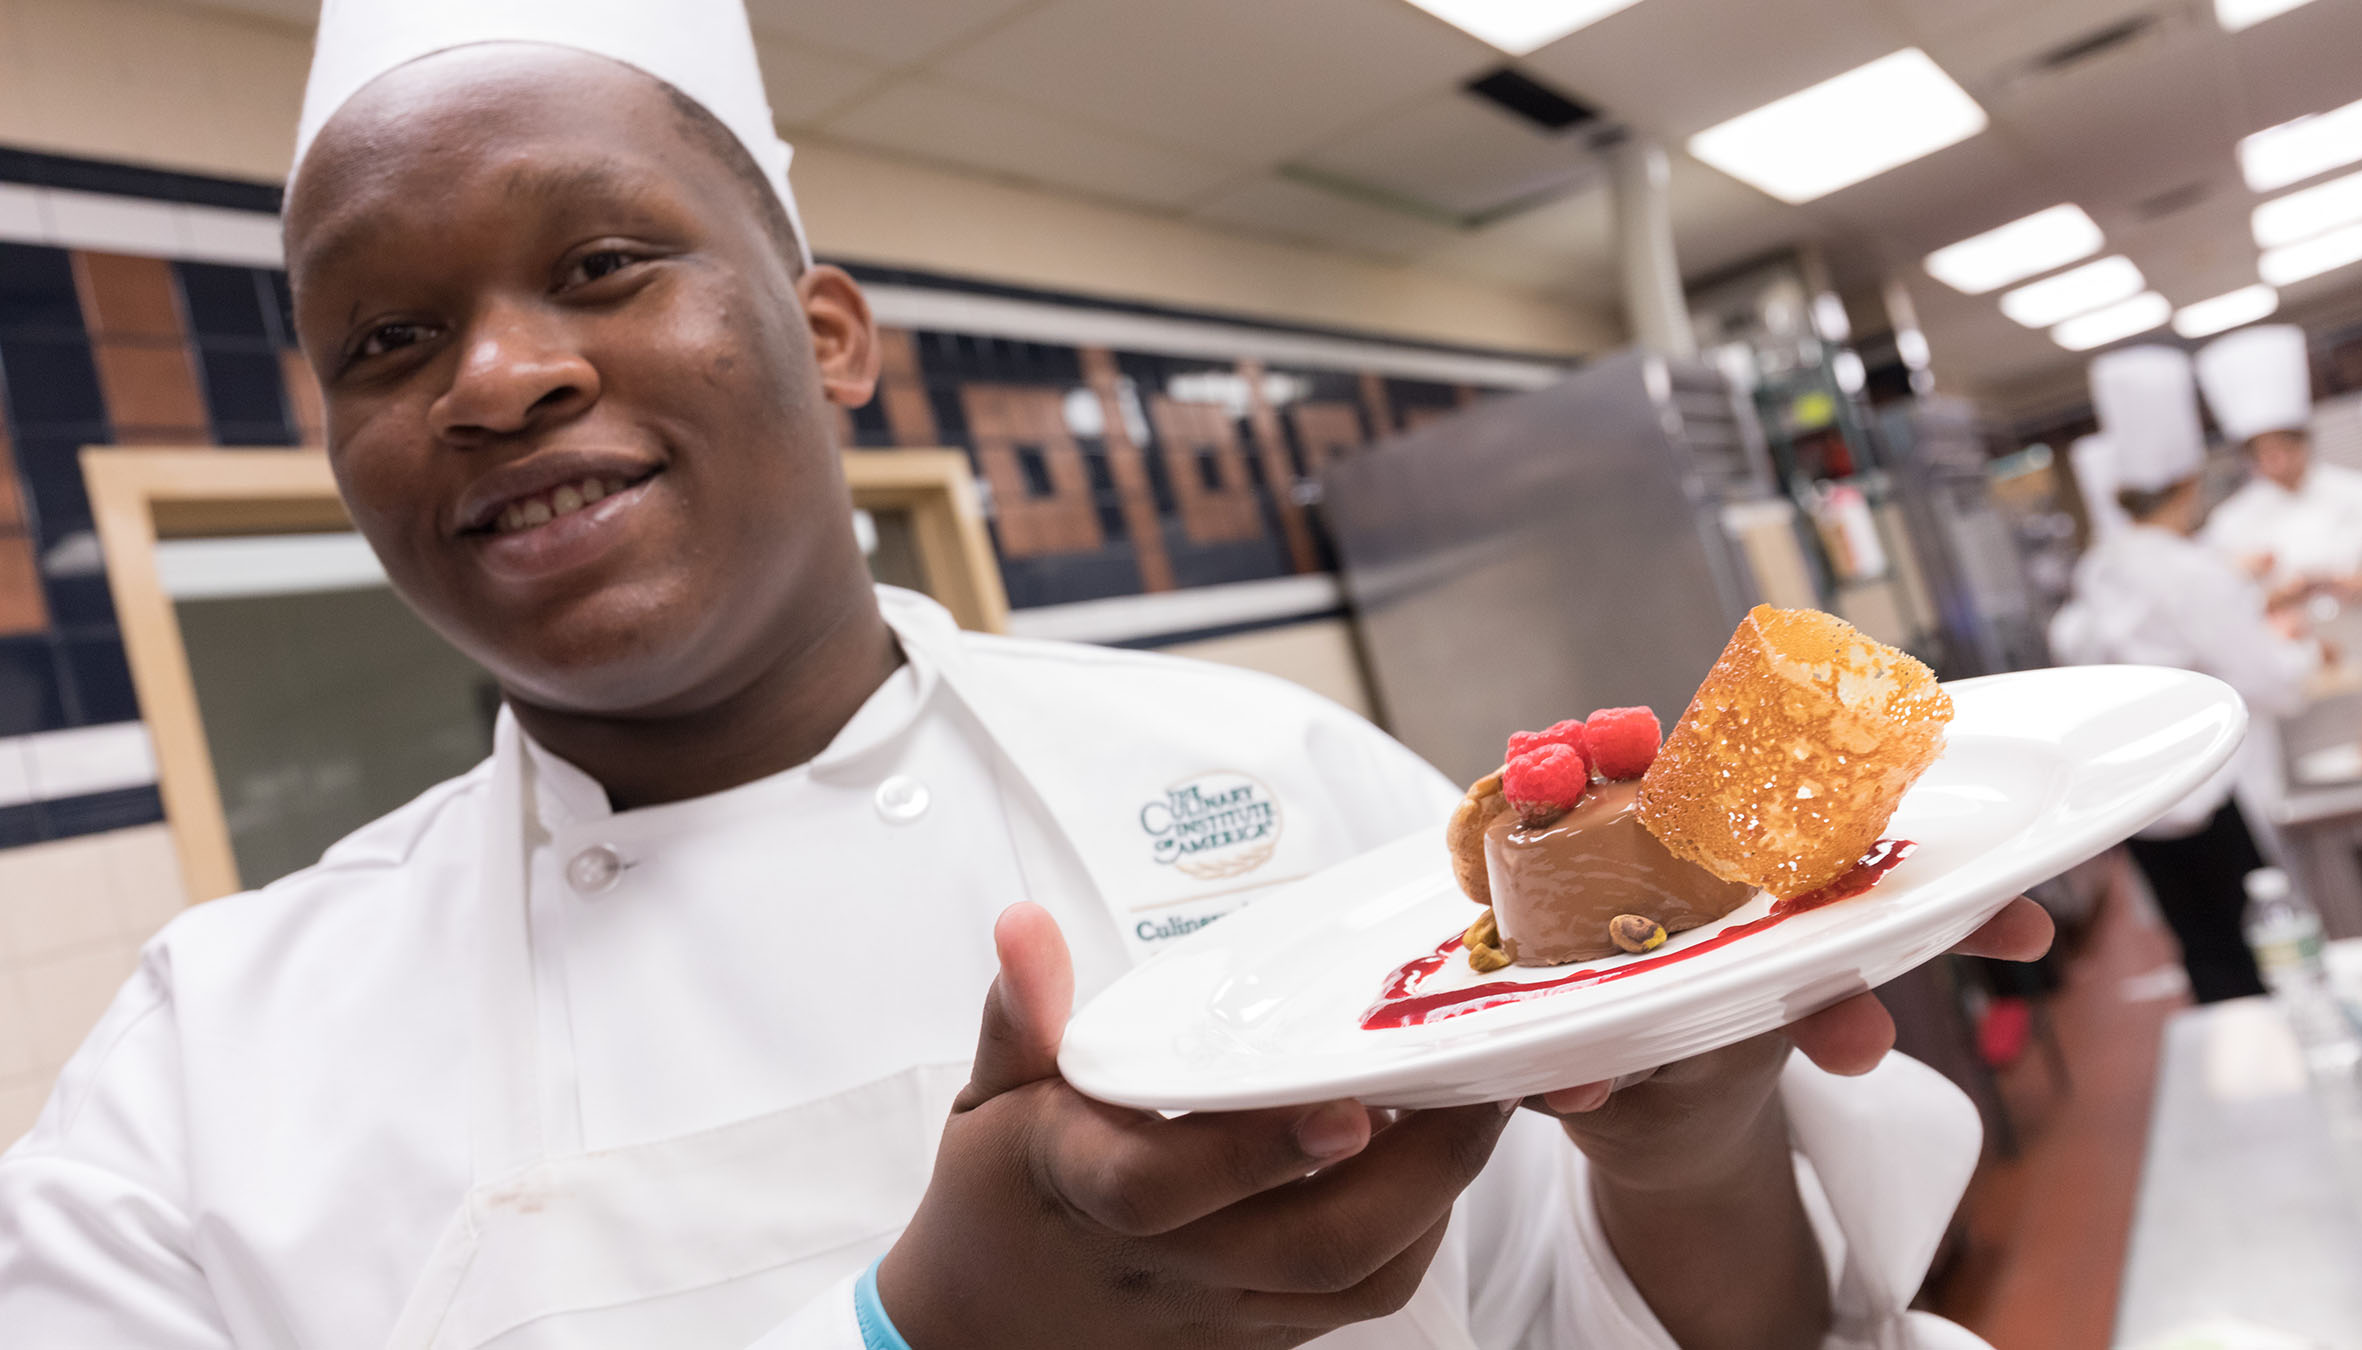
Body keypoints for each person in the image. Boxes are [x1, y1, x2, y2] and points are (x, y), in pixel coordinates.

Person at [0, 3, 2052, 1347]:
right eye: (383, 342)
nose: (502, 378)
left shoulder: (1289, 799)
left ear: (825, 335)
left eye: (604, 266)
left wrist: (1682, 1144)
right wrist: (922, 1336)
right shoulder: (208, 1078)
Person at [2054, 346, 2318, 1003]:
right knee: (2267, 955)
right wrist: (2292, 642)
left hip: (2139, 806)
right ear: (2190, 481)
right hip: (2209, 793)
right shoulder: (2191, 569)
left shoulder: (2101, 568)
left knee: (2203, 954)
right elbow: (2267, 681)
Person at [2196, 324, 2362, 601]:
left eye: (2282, 448)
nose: (2276, 463)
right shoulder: (2230, 523)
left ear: (2303, 443)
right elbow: (2218, 604)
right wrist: (2268, 596)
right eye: (2264, 454)